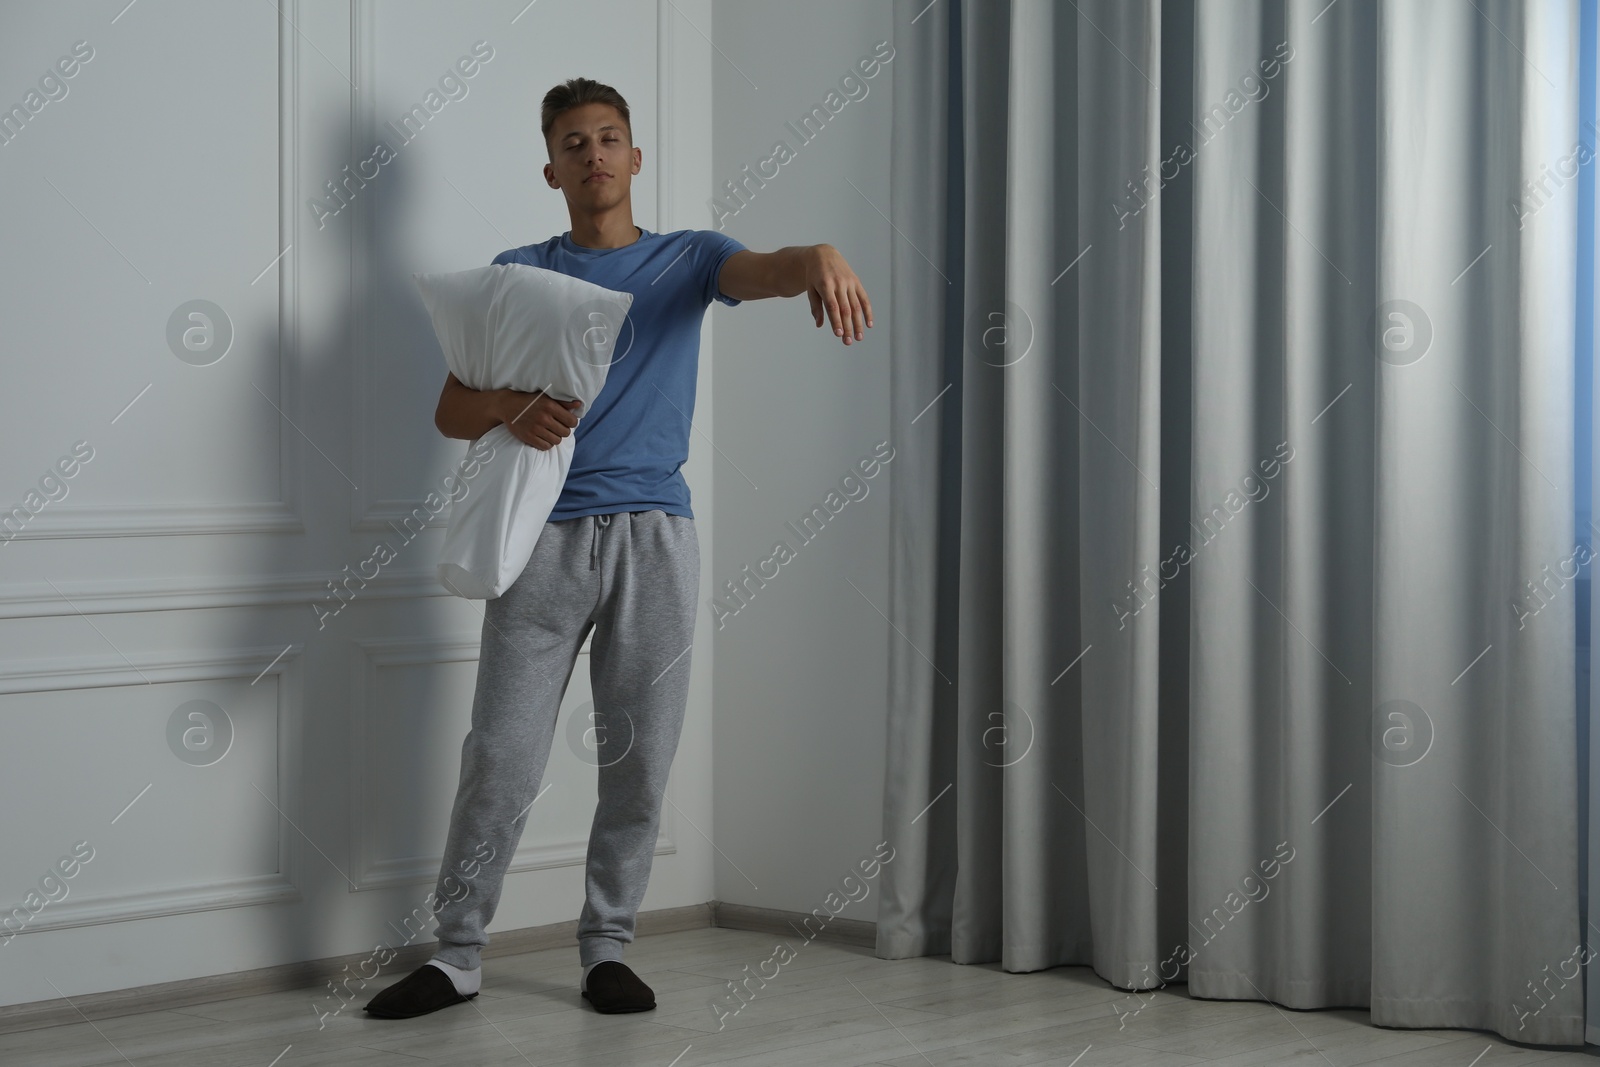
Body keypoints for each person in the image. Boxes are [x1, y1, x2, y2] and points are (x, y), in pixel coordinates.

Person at [364, 76, 872, 1020]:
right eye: (572, 142)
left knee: (638, 754)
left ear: (635, 158)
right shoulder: (519, 271)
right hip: (544, 541)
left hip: (655, 538)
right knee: (502, 752)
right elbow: (449, 409)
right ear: (551, 167)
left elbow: (770, 267)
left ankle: (607, 946)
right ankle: (459, 953)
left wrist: (824, 256)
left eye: (608, 138)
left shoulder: (689, 260)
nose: (592, 154)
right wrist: (515, 407)